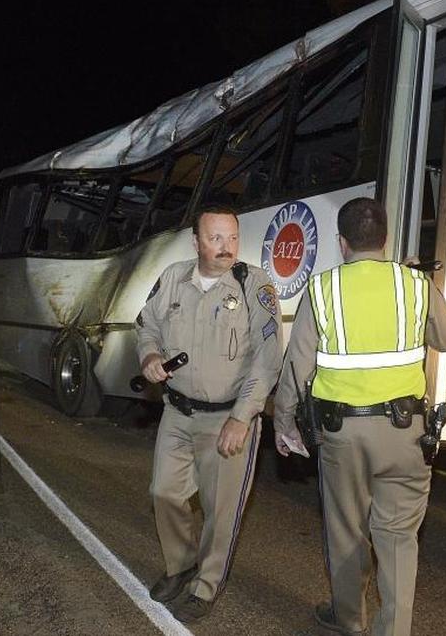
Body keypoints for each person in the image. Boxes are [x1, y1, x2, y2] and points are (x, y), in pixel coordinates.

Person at [273, 197, 446, 636]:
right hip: (407, 434)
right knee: (397, 538)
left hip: (343, 435)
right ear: (386, 239)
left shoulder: (322, 290)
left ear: (341, 242)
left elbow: (297, 367)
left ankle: (349, 619)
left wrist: (283, 424)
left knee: (347, 532)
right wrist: (420, 285)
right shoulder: (413, 284)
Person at [136, 205, 283, 623]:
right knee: (163, 492)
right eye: (216, 238)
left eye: (232, 238)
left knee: (221, 510)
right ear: (196, 241)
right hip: (177, 413)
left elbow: (267, 359)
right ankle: (181, 565)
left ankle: (206, 584)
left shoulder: (254, 285)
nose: (226, 248)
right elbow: (146, 325)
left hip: (228, 418)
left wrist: (243, 415)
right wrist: (149, 355)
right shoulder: (173, 279)